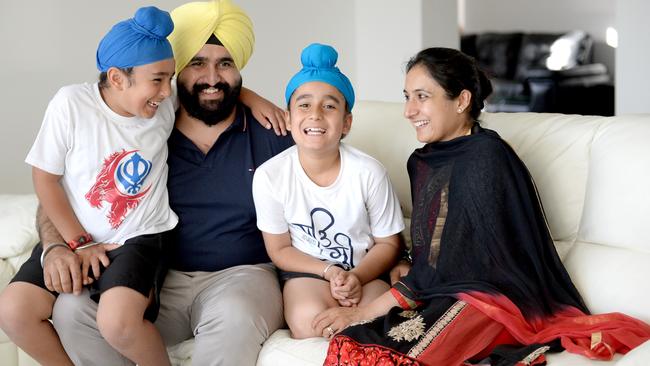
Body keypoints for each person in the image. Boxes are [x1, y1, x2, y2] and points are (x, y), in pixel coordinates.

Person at [314, 47, 650, 365]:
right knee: (352, 347)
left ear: (461, 100)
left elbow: (456, 265)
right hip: (441, 291)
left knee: (391, 357)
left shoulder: (485, 158)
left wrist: (361, 312)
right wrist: (405, 262)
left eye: (422, 97)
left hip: (493, 299)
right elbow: (435, 247)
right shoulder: (423, 162)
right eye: (406, 97)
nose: (408, 111)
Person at [36, 1, 293, 365]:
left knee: (235, 314)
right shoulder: (144, 127)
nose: (213, 78)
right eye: (197, 63)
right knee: (72, 312)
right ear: (173, 72)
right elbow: (62, 191)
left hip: (242, 276)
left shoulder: (273, 132)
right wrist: (57, 247)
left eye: (226, 63)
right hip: (157, 278)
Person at [0, 7, 178, 366]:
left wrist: (256, 101)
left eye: (170, 78)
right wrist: (78, 242)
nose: (166, 90)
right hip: (78, 237)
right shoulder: (72, 104)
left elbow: (216, 94)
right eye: (157, 79)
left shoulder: (165, 104)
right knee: (13, 311)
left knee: (118, 324)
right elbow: (45, 178)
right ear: (116, 78)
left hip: (140, 237)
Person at [252, 43, 404, 339]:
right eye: (304, 105)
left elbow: (388, 244)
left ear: (346, 123)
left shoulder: (368, 172)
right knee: (308, 318)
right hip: (308, 272)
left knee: (382, 316)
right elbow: (279, 249)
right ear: (290, 116)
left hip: (365, 270)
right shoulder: (270, 175)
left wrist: (355, 277)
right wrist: (329, 272)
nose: (316, 115)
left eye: (330, 106)